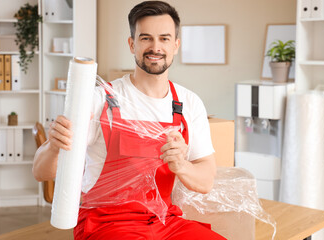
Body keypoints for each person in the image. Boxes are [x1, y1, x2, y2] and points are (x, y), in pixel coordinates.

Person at [33, 1, 226, 239]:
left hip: (166, 220)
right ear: (132, 43)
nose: (155, 47)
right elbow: (40, 172)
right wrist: (54, 147)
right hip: (106, 221)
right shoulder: (100, 98)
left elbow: (206, 180)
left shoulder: (189, 103)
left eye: (164, 39)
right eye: (146, 38)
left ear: (175, 45)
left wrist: (182, 166)